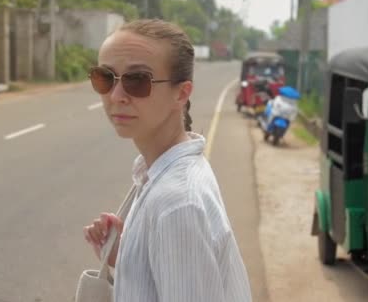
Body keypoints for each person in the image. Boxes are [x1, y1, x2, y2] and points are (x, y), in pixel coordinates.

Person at [82, 19, 252, 302]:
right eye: (105, 78)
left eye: (138, 81)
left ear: (181, 93)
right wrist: (128, 253)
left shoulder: (176, 204)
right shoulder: (167, 170)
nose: (116, 96)